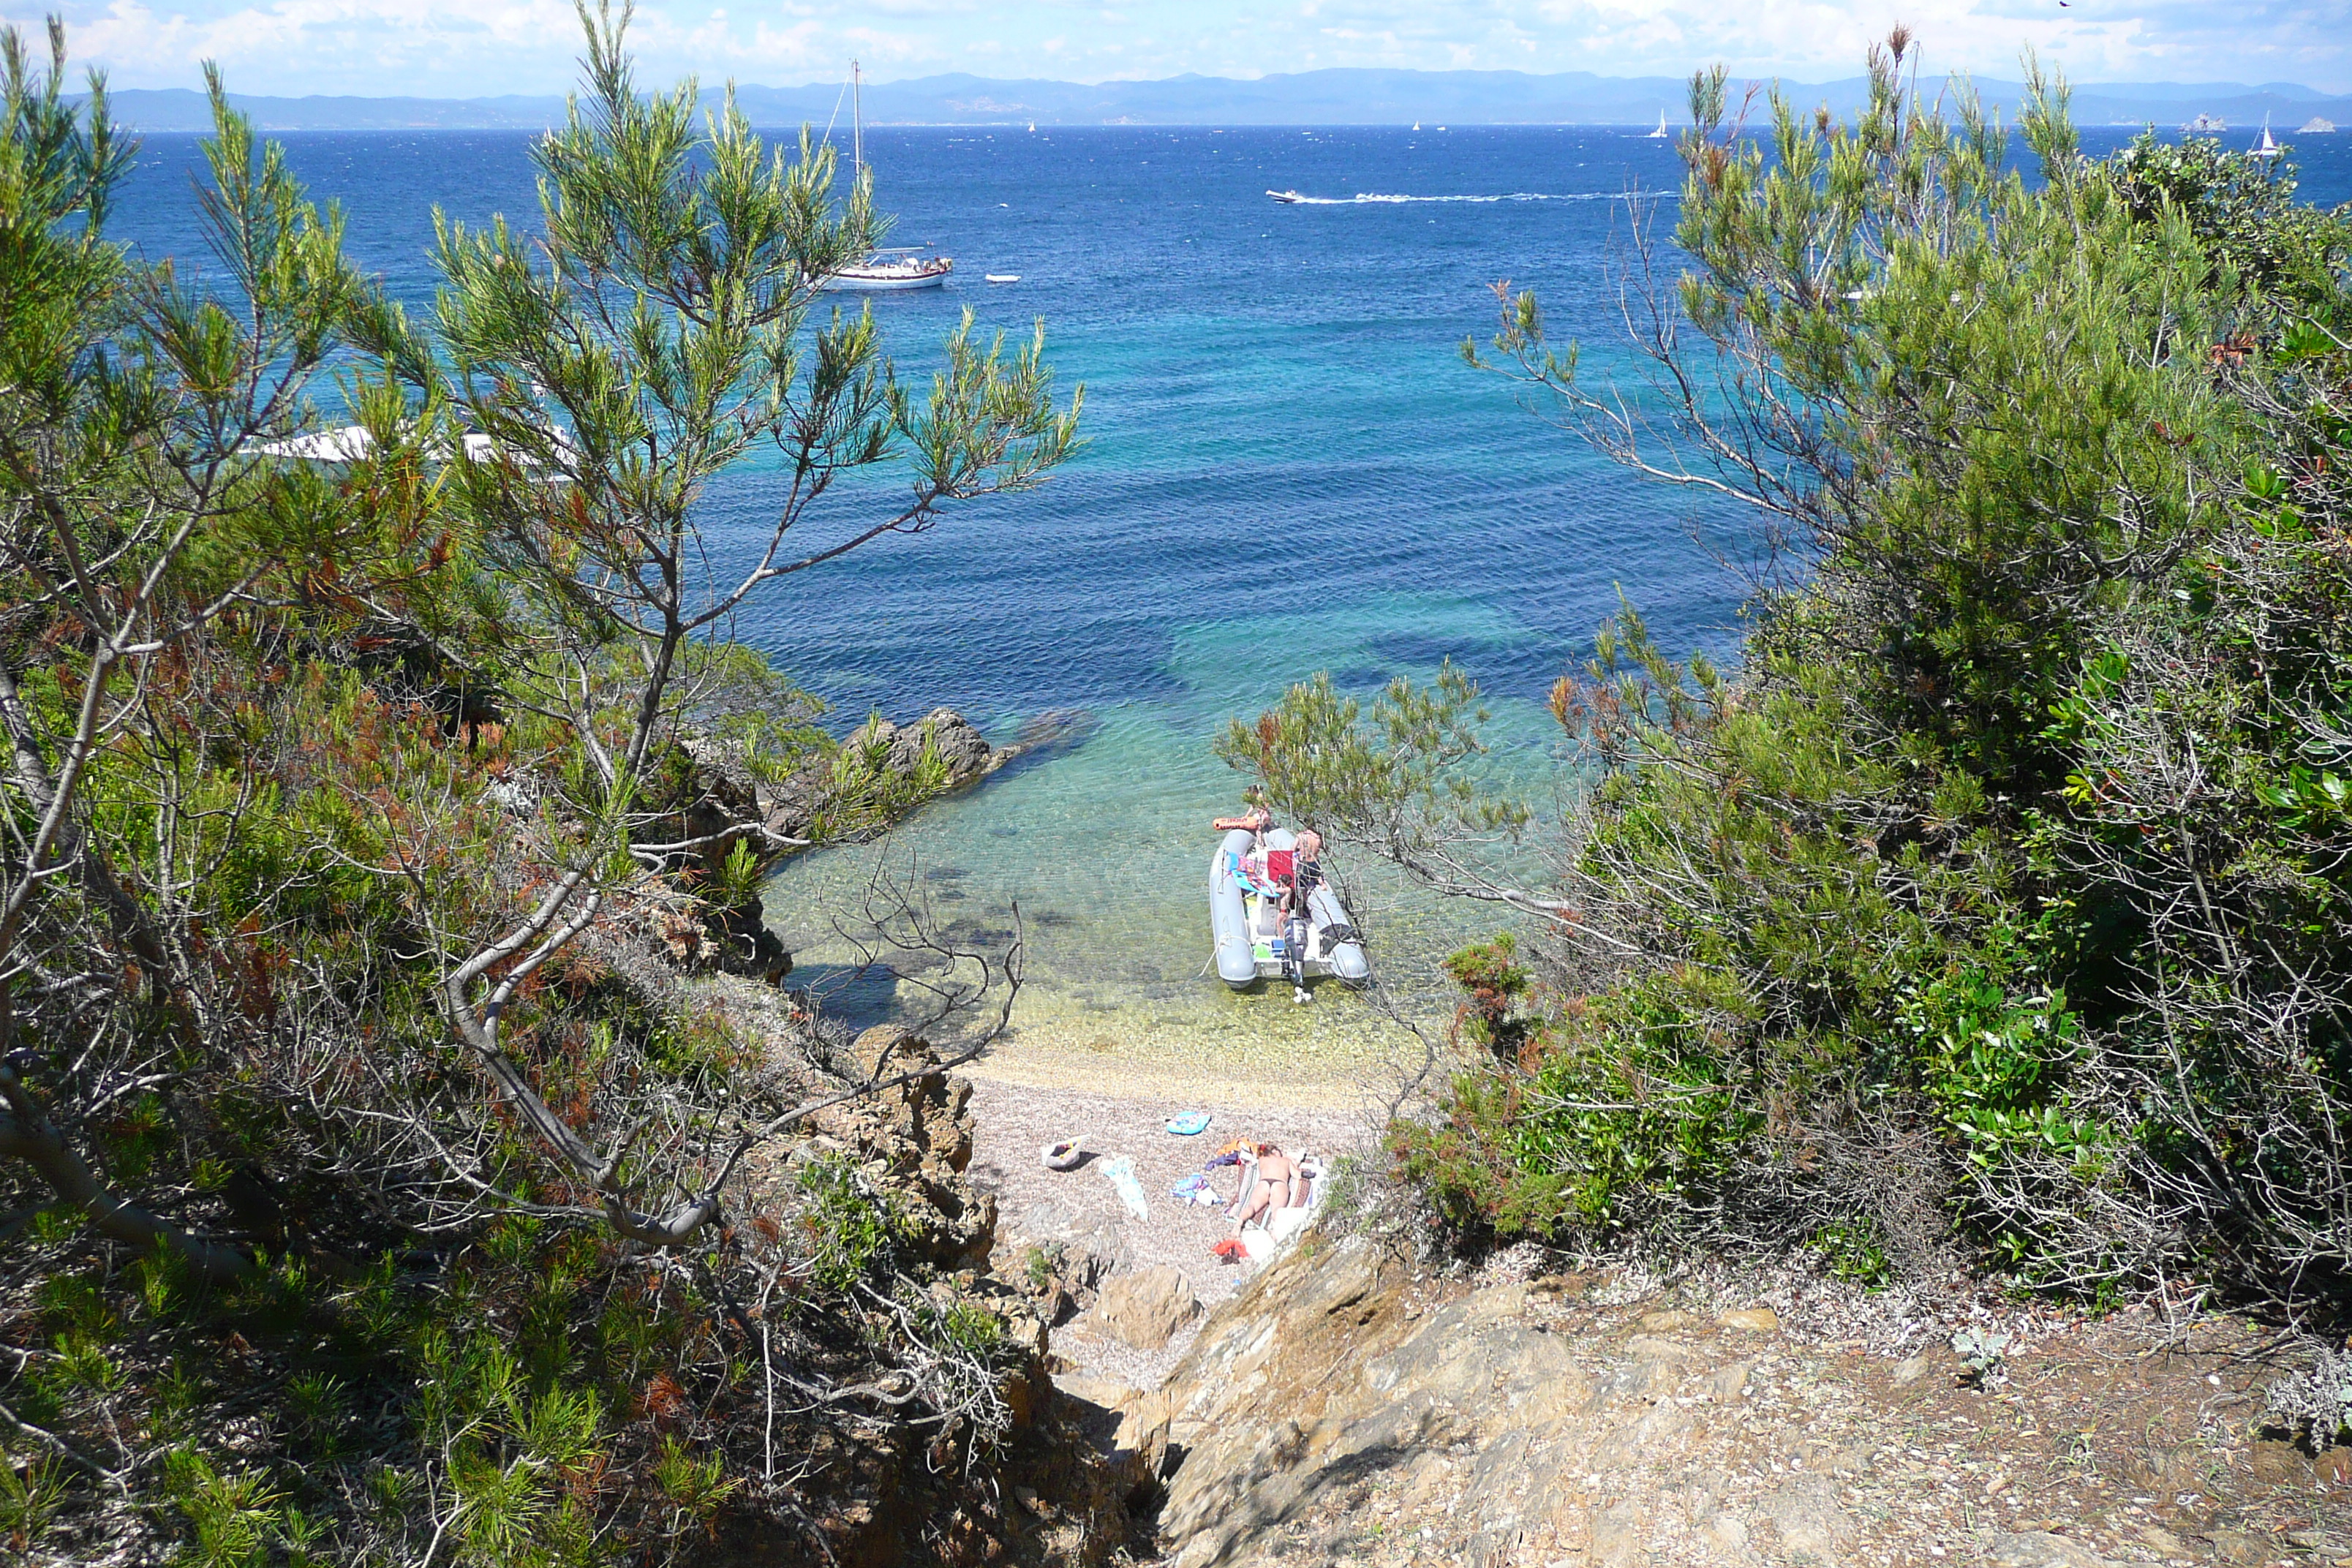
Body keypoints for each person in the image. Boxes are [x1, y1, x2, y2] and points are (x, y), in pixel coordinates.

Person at [1278, 829, 1324, 1003]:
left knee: (1301, 891)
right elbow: (1320, 849)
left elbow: (1293, 849)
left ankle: (1301, 907)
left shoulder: (1302, 836)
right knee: (1310, 891)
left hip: (1305, 864)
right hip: (1316, 864)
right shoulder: (1317, 838)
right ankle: (1308, 910)